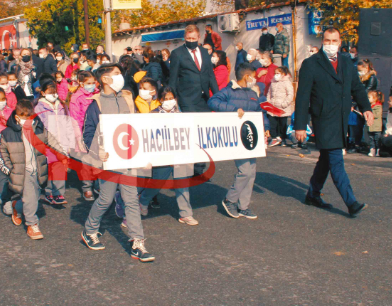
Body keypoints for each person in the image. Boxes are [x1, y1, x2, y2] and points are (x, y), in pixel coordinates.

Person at [294, 27, 373, 218]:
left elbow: (357, 88)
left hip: (341, 118)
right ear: (322, 41)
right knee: (336, 159)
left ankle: (313, 194)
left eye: (334, 41)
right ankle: (351, 202)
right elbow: (303, 97)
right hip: (323, 119)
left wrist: (366, 108)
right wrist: (300, 125)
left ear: (340, 42)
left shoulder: (346, 62)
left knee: (326, 160)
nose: (331, 44)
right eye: (327, 41)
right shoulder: (311, 64)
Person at [81, 63, 154, 262]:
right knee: (105, 199)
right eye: (116, 74)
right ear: (104, 79)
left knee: (131, 200)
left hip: (129, 158)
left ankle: (138, 242)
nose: (121, 77)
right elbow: (88, 133)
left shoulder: (127, 99)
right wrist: (98, 152)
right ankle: (89, 230)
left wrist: (144, 154)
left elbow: (138, 127)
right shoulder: (95, 104)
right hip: (109, 162)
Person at [0, 99, 68, 240]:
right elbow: (0, 150)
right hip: (21, 171)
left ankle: (15, 207)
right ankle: (32, 224)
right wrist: (9, 169)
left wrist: (62, 155)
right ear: (17, 117)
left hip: (38, 169)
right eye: (24, 117)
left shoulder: (39, 129)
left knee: (34, 196)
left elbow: (51, 140)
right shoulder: (7, 133)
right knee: (30, 198)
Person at [208, 63, 270, 220]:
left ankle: (244, 206)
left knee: (252, 172)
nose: (255, 79)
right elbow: (212, 102)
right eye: (254, 76)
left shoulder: (252, 93)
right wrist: (232, 110)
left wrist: (266, 127)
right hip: (236, 138)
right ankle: (230, 200)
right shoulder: (228, 91)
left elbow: (259, 112)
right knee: (244, 171)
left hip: (252, 138)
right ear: (246, 77)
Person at [138, 87, 198, 225]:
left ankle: (186, 214)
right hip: (162, 156)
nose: (169, 101)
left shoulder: (181, 114)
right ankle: (143, 200)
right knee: (157, 183)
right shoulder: (153, 114)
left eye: (172, 98)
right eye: (166, 99)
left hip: (179, 155)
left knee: (182, 183)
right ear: (160, 100)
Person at [34, 78, 81, 205]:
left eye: (54, 91)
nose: (53, 94)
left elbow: (68, 126)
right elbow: (39, 128)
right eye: (50, 92)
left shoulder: (62, 106)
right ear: (43, 93)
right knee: (50, 168)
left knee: (60, 167)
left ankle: (58, 193)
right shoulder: (39, 107)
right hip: (48, 144)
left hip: (62, 143)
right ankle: (49, 192)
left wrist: (71, 143)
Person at [168, 24, 219, 112]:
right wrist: (173, 99)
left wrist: (218, 97)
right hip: (187, 100)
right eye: (188, 38)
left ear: (198, 37)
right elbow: (173, 79)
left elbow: (211, 76)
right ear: (184, 37)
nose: (191, 41)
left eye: (193, 38)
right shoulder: (177, 53)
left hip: (204, 99)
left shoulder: (204, 52)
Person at [69, 70, 99, 201]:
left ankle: (98, 184)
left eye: (93, 82)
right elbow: (74, 119)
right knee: (86, 161)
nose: (92, 85)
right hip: (82, 132)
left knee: (98, 159)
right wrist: (79, 138)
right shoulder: (76, 98)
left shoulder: (98, 94)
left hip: (97, 130)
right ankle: (87, 187)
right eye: (88, 83)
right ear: (81, 83)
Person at [266, 67, 295, 147]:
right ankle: (274, 137)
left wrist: (284, 104)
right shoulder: (273, 82)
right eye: (275, 73)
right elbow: (269, 93)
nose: (276, 75)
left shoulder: (287, 82)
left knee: (282, 124)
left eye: (278, 73)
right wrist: (268, 102)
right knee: (272, 123)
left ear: (283, 74)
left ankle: (283, 139)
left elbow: (290, 94)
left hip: (283, 108)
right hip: (273, 107)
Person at [362, 90, 384, 157]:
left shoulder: (378, 106)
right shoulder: (369, 106)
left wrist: (370, 114)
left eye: (369, 97)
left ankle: (378, 150)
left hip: (376, 127)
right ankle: (372, 149)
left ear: (374, 98)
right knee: (371, 139)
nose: (367, 99)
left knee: (377, 139)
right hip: (370, 126)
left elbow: (377, 115)